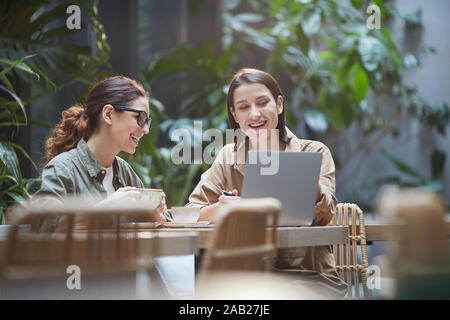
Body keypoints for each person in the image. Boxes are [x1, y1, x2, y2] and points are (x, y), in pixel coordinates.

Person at [186, 68, 346, 296]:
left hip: (309, 280)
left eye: (262, 103)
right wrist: (222, 209)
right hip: (246, 282)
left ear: (279, 105)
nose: (254, 114)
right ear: (234, 115)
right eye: (243, 107)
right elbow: (192, 213)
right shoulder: (228, 157)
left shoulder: (314, 152)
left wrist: (301, 175)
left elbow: (326, 211)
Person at [32, 76, 168, 231]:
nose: (146, 130)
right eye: (140, 118)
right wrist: (107, 209)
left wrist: (155, 215)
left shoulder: (124, 172)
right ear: (108, 114)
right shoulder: (63, 168)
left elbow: (161, 223)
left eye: (147, 121)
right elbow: (45, 226)